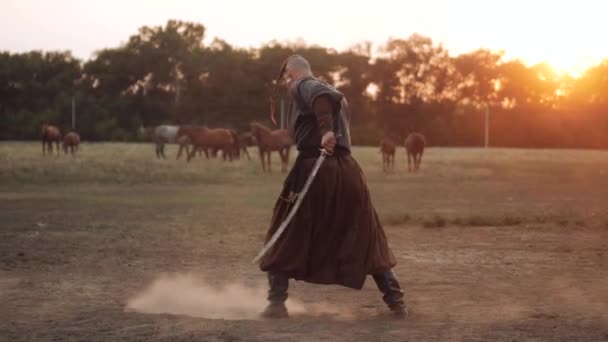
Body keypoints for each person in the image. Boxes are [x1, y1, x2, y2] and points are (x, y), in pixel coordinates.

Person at [258, 55, 407, 318]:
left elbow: (321, 97)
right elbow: (325, 99)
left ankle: (276, 304)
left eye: (287, 79)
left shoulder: (305, 85)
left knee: (285, 232)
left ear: (292, 74)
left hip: (314, 170)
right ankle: (397, 303)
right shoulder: (332, 92)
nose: (287, 84)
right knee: (364, 236)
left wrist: (326, 132)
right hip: (347, 170)